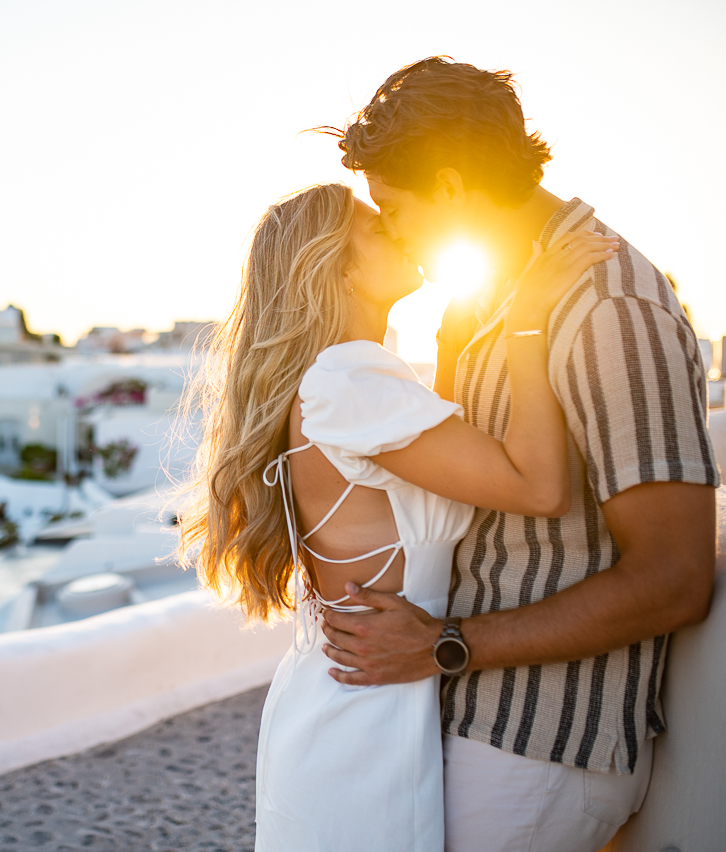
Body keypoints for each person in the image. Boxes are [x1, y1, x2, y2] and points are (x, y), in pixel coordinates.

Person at [318, 57, 720, 852]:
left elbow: (675, 577)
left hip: (541, 743)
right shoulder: (502, 298)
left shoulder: (609, 306)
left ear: (453, 186)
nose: (390, 231)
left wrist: (444, 643)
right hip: (474, 714)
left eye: (394, 210)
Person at [180, 182, 616, 850]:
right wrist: (530, 318)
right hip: (361, 721)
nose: (404, 233)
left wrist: (455, 335)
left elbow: (437, 460)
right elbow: (538, 486)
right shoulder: (347, 379)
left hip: (346, 700)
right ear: (340, 267)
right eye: (379, 230)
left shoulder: (346, 380)